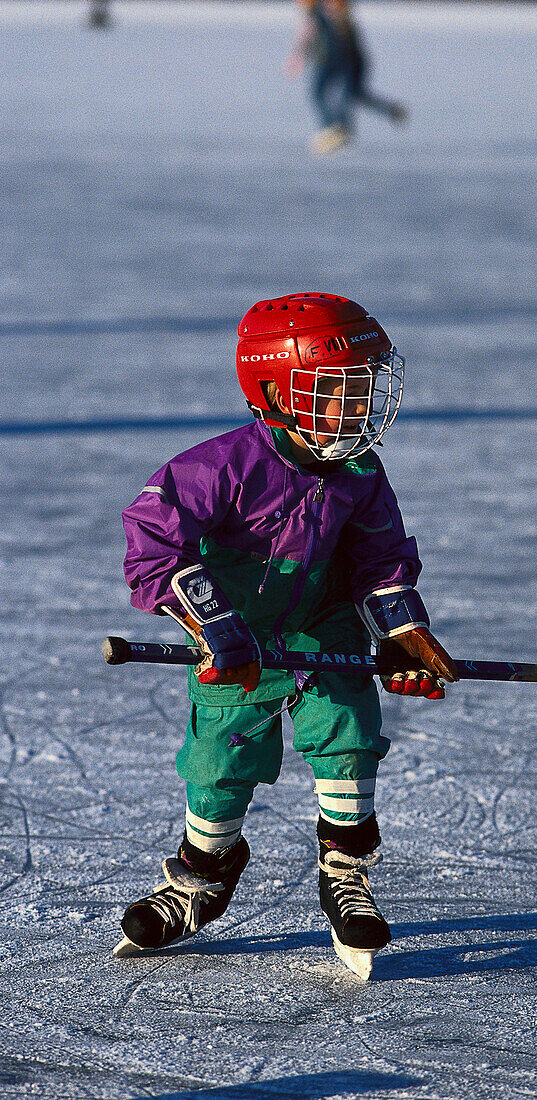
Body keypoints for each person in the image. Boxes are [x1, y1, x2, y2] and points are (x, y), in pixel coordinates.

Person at [115, 292, 458, 979]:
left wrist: (401, 631)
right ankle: (201, 878)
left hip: (321, 627)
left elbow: (380, 556)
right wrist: (211, 624)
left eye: (363, 389)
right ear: (274, 391)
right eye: (337, 389)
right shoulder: (217, 467)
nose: (357, 407)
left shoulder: (360, 470)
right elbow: (152, 546)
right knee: (219, 766)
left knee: (348, 731)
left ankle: (346, 868)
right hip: (236, 640)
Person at [286, 0, 408, 154]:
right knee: (347, 94)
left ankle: (337, 128)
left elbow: (315, 38)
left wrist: (299, 56)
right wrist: (298, 57)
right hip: (331, 61)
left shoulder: (330, 15)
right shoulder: (317, 15)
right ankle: (337, 127)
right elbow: (307, 38)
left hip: (343, 61)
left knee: (344, 94)